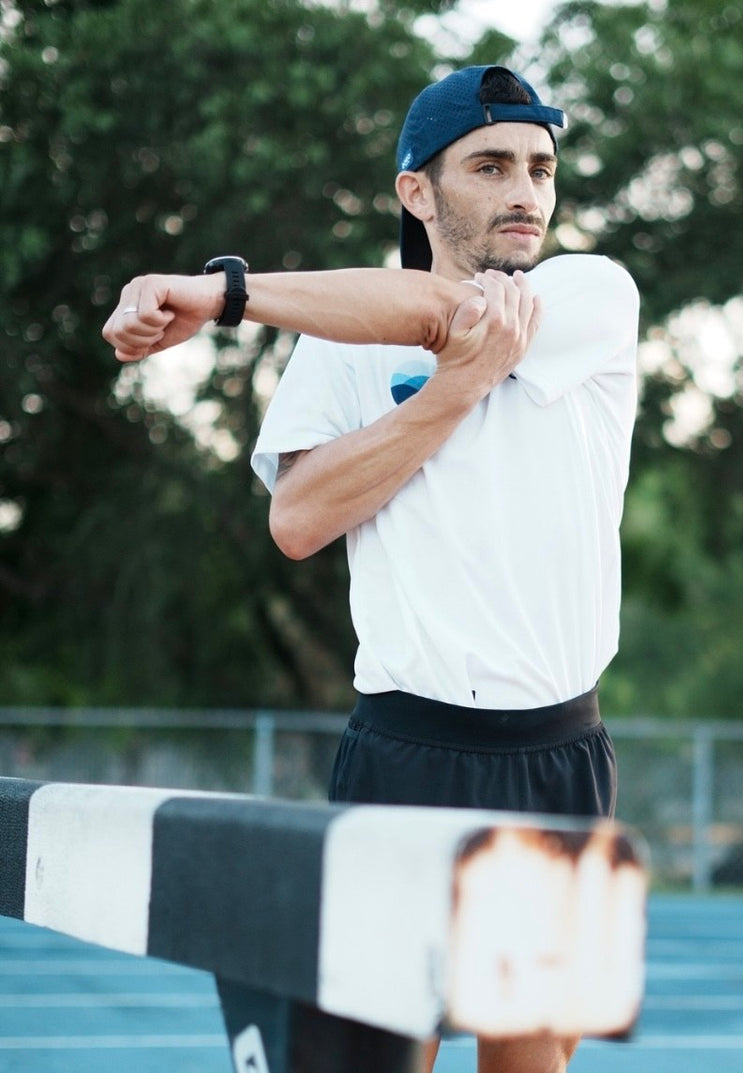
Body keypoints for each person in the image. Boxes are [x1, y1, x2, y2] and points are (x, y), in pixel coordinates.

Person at [102, 65, 639, 1073]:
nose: (525, 191)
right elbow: (298, 519)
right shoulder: (338, 346)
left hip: (557, 753)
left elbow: (449, 321)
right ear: (417, 192)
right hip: (408, 749)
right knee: (371, 1061)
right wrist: (450, 396)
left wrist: (224, 292)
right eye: (490, 166)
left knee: (532, 1060)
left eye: (540, 167)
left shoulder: (592, 298)